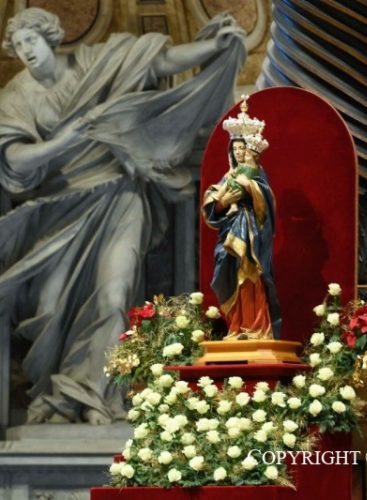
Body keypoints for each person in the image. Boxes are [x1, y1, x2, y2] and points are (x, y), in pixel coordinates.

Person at [0, 7, 246, 424]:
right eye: (18, 45)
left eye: (31, 40)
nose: (26, 51)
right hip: (57, 214)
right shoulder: (16, 96)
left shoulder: (96, 63)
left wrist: (213, 47)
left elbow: (158, 59)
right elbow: (14, 159)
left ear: (50, 36)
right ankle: (60, 398)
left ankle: (97, 396)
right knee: (50, 310)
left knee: (114, 297)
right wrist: (66, 141)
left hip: (119, 197)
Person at [202, 99, 281, 340]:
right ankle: (236, 326)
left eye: (241, 148)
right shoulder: (228, 176)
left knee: (250, 277)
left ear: (248, 150)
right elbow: (212, 205)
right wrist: (223, 202)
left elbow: (266, 200)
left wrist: (250, 188)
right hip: (229, 233)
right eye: (234, 149)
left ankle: (256, 327)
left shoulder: (256, 174)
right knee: (229, 273)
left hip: (253, 234)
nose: (238, 152)